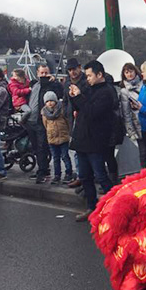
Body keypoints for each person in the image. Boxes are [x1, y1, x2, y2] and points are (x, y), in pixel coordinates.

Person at [69, 60, 117, 222]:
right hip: (82, 139)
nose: (87, 78)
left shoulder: (107, 92)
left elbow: (92, 112)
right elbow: (80, 108)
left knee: (101, 175)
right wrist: (74, 96)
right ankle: (92, 207)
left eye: (90, 75)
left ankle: (116, 206)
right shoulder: (89, 88)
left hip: (96, 141)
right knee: (85, 176)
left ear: (99, 75)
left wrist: (80, 97)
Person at [25, 64, 63, 184]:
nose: (44, 75)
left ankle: (42, 171)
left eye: (46, 73)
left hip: (42, 121)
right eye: (42, 73)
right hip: (31, 120)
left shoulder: (52, 85)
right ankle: (43, 168)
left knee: (42, 147)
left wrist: (54, 82)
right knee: (36, 147)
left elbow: (59, 95)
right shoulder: (34, 85)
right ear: (37, 73)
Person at [119, 63, 146, 169]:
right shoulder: (124, 91)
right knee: (143, 154)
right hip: (138, 124)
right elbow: (126, 113)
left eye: (131, 71)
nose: (129, 74)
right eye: (126, 72)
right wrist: (131, 131)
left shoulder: (145, 83)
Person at [63, 58, 88, 187]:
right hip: (71, 118)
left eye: (74, 69)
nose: (72, 72)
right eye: (70, 70)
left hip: (83, 117)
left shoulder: (85, 82)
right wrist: (66, 112)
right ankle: (80, 175)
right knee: (75, 149)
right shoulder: (67, 83)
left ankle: (86, 176)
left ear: (79, 68)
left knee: (84, 149)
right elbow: (65, 100)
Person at [41, 91, 73, 185]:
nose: (50, 103)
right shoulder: (44, 113)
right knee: (55, 158)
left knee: (65, 156)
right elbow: (45, 124)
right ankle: (57, 175)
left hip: (63, 137)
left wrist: (68, 133)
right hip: (52, 138)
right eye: (47, 101)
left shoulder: (62, 109)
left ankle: (68, 173)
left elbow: (67, 122)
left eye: (51, 100)